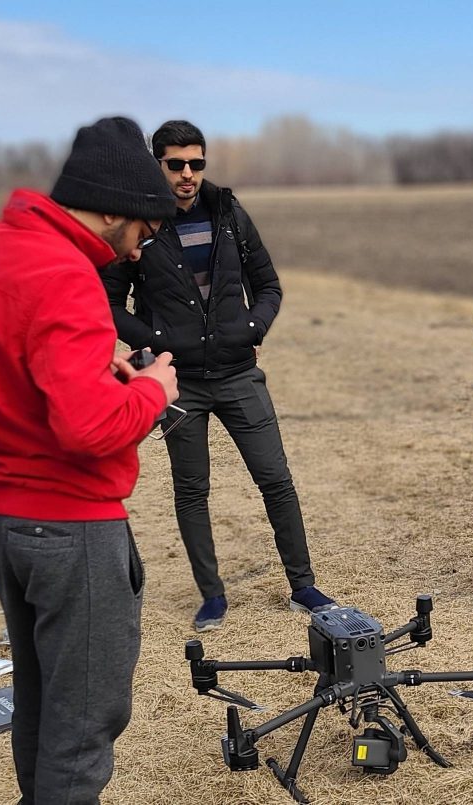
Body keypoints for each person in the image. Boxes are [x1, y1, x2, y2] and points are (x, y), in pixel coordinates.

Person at [0, 117, 179, 804]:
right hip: (68, 524)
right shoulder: (68, 274)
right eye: (142, 233)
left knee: (41, 696)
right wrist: (151, 390)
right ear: (114, 206)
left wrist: (95, 364)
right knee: (84, 724)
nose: (135, 251)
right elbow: (90, 428)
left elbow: (13, 368)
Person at [102, 120, 335, 632]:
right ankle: (212, 595)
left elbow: (269, 285)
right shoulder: (141, 226)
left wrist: (253, 327)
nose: (188, 174)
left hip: (238, 374)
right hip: (179, 384)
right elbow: (109, 303)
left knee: (276, 479)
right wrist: (157, 341)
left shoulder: (228, 213)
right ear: (156, 164)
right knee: (192, 489)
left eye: (196, 163)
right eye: (176, 164)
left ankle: (303, 585)